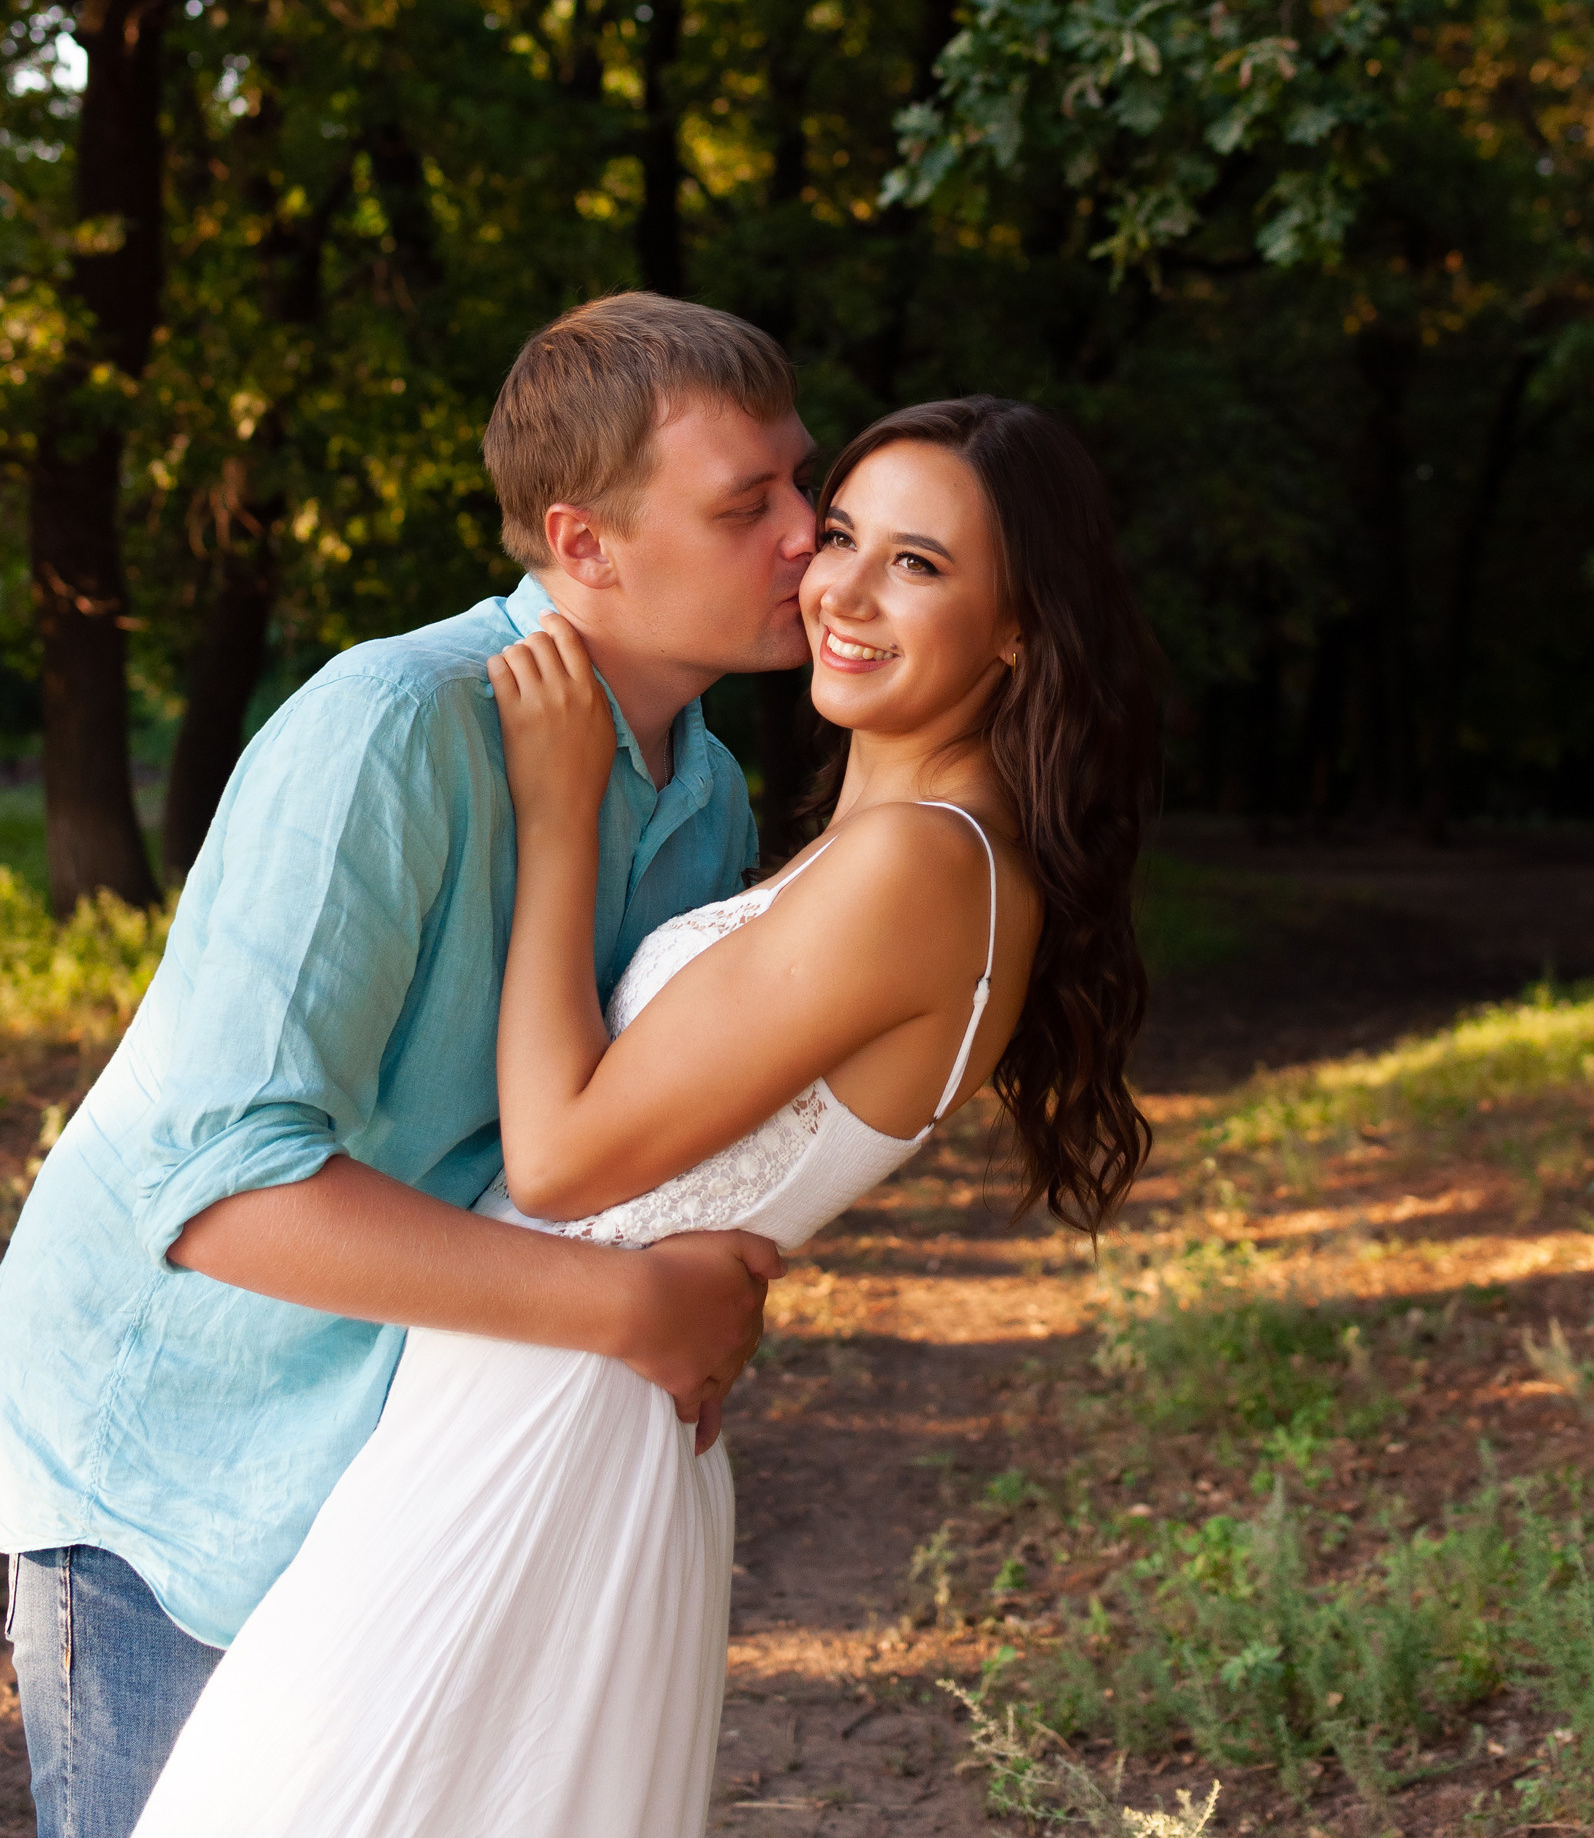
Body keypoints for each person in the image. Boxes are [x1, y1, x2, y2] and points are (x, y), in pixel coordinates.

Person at [127, 392, 1158, 1838]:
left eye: (917, 566)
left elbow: (556, 1160)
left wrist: (559, 816)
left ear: (1017, 629)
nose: (840, 587)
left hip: (546, 1420)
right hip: (546, 1392)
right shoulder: (874, 852)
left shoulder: (923, 870)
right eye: (840, 532)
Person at [0, 292, 819, 1838]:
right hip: (181, 1458)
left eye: (800, 481)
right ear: (583, 546)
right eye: (745, 504)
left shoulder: (703, 796)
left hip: (415, 1444)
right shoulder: (388, 729)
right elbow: (219, 1197)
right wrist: (635, 1310)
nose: (807, 532)